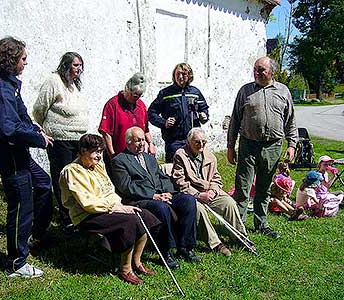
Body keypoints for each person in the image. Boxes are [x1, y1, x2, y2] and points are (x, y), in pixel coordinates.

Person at [0, 37, 53, 278]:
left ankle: (33, 234)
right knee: (21, 205)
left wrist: (35, 128)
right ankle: (16, 263)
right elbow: (8, 129)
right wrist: (38, 140)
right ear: (11, 60)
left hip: (18, 152)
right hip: (10, 155)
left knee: (43, 183)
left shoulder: (8, 84)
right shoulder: (0, 89)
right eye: (23, 58)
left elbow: (20, 117)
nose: (26, 62)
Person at [59, 134, 160, 285]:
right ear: (83, 151)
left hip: (107, 208)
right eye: (95, 152)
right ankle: (125, 269)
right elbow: (88, 203)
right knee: (130, 221)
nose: (99, 156)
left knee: (142, 214)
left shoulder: (98, 166)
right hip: (86, 215)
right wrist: (113, 207)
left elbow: (109, 190)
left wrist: (119, 206)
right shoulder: (72, 171)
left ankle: (137, 262)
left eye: (101, 151)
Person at [227, 56, 298, 239]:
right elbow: (235, 120)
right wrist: (230, 146)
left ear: (271, 72)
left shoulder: (283, 91)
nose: (257, 73)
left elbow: (290, 120)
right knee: (242, 187)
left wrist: (292, 144)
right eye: (255, 69)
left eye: (261, 70)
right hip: (248, 145)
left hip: (273, 146)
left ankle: (261, 224)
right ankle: (239, 227)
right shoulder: (245, 91)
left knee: (264, 187)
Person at [111, 127, 201, 269]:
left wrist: (169, 192)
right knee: (161, 208)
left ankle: (185, 246)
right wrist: (153, 196)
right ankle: (166, 251)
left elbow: (162, 177)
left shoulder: (149, 158)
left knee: (188, 201)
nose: (142, 143)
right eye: (137, 141)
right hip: (140, 199)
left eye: (143, 140)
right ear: (128, 142)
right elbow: (126, 186)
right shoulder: (119, 160)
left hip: (161, 194)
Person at [33, 52, 88, 231]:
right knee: (62, 178)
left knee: (75, 177)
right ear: (65, 65)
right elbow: (40, 108)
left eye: (80, 65)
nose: (78, 69)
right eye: (75, 65)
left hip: (76, 139)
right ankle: (66, 217)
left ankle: (77, 212)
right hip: (60, 139)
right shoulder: (53, 81)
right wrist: (45, 128)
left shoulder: (74, 85)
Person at [171, 128, 247, 256]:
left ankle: (239, 236)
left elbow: (216, 178)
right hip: (191, 194)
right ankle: (216, 244)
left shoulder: (209, 156)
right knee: (199, 210)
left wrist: (212, 190)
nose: (201, 145)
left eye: (204, 142)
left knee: (229, 203)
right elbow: (179, 182)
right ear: (189, 142)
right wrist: (198, 194)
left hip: (210, 192)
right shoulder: (180, 155)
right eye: (197, 142)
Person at [148, 63, 209, 163]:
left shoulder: (195, 92)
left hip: (194, 140)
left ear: (189, 75)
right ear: (174, 75)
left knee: (196, 169)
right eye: (178, 74)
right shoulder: (165, 93)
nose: (180, 77)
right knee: (175, 171)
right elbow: (151, 113)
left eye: (183, 74)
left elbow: (204, 109)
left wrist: (204, 116)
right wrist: (164, 122)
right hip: (174, 141)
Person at [98, 72, 155, 174]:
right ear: (127, 89)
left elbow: (145, 129)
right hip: (118, 156)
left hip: (137, 157)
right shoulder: (112, 104)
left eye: (139, 96)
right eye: (134, 95)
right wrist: (112, 155)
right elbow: (106, 132)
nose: (136, 98)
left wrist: (150, 144)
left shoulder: (141, 106)